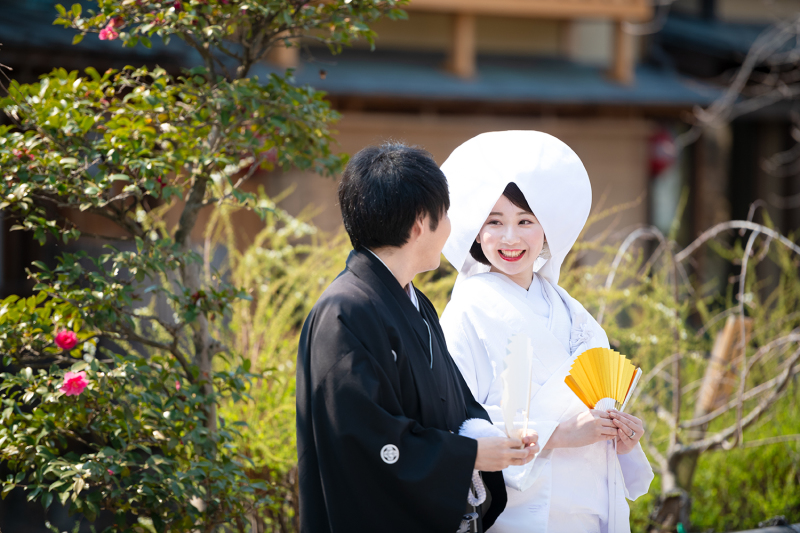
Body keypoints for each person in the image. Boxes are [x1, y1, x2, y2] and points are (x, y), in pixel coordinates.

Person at [296, 143, 539, 533]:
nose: (452, 228)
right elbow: (366, 443)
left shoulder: (415, 302)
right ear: (419, 224)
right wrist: (470, 454)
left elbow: (456, 403)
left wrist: (488, 435)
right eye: (445, 215)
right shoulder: (344, 313)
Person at [438, 131, 655, 533]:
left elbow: (600, 400)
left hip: (592, 506)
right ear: (475, 232)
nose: (510, 238)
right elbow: (456, 421)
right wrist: (555, 433)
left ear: (545, 230)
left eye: (525, 221)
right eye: (494, 222)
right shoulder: (465, 311)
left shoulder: (574, 312)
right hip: (522, 512)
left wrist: (620, 435)